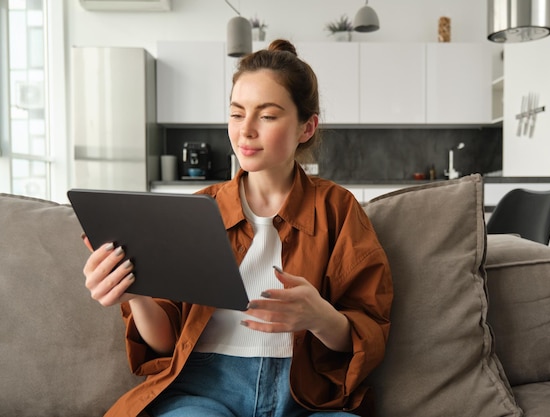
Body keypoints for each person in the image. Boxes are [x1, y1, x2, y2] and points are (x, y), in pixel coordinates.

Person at [82, 39, 393, 417]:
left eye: (267, 115)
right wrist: (135, 294)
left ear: (306, 127)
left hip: (305, 397)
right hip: (204, 390)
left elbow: (371, 333)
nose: (245, 130)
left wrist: (320, 316)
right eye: (236, 113)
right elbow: (165, 344)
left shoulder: (339, 209)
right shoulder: (195, 210)